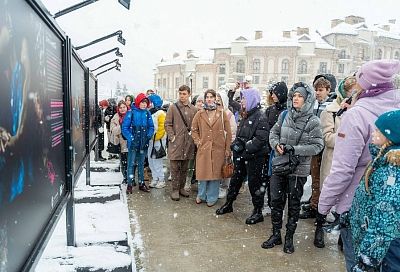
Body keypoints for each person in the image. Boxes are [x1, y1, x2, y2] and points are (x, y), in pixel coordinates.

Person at [318, 59, 400, 271]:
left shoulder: (357, 114)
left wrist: (324, 204)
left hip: (356, 203)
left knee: (358, 263)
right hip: (390, 211)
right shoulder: (395, 107)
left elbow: (343, 169)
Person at [262, 82, 323, 254]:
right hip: (280, 166)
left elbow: (317, 146)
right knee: (275, 202)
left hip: (298, 170)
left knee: (293, 205)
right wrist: (276, 145)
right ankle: (276, 234)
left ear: (307, 99)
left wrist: (295, 150)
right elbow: (273, 133)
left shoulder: (313, 121)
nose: (296, 98)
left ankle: (289, 237)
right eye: (294, 95)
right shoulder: (284, 116)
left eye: (300, 96)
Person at [349, 109, 400, 272]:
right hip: (380, 244)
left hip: (387, 251)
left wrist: (368, 258)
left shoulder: (390, 173)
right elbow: (371, 200)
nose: (373, 133)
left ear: (389, 137)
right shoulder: (381, 161)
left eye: (378, 130)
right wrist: (352, 214)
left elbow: (385, 220)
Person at [216, 88, 270, 225]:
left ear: (252, 100)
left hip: (254, 158)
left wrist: (245, 147)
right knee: (235, 181)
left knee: (254, 184)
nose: (242, 102)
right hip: (242, 156)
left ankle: (258, 211)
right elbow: (241, 135)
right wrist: (235, 144)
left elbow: (260, 139)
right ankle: (229, 204)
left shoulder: (260, 117)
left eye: (244, 99)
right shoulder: (246, 115)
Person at [316, 76, 356, 249]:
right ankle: (319, 228)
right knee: (327, 195)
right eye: (352, 93)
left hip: (352, 162)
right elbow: (327, 138)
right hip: (333, 161)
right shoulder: (331, 111)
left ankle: (343, 236)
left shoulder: (359, 113)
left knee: (348, 200)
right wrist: (347, 138)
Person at [191, 89, 232, 206]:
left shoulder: (221, 113)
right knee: (202, 173)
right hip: (203, 148)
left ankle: (212, 197)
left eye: (211, 97)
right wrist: (198, 141)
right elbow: (194, 130)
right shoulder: (200, 113)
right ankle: (201, 195)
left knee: (215, 175)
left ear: (215, 99)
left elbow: (228, 132)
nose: (209, 99)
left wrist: (228, 148)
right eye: (207, 97)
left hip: (218, 148)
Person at [164, 85, 197, 201]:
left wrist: (193, 138)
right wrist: (172, 137)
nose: (182, 96)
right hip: (175, 143)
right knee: (174, 168)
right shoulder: (173, 107)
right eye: (180, 94)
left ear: (189, 94)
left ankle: (182, 188)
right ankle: (174, 189)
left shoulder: (194, 109)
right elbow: (167, 124)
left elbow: (195, 126)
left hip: (188, 143)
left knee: (184, 168)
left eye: (184, 94)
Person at [122, 93, 154, 194]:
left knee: (141, 164)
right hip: (133, 143)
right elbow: (124, 128)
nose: (144, 105)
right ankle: (130, 184)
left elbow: (151, 126)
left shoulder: (147, 113)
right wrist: (131, 138)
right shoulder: (130, 113)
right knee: (131, 163)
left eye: (146, 103)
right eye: (142, 102)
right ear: (138, 102)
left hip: (143, 142)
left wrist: (148, 135)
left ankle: (141, 183)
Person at [263, 82, 288, 214]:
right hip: (269, 149)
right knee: (269, 179)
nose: (272, 96)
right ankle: (270, 203)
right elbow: (266, 128)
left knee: (280, 181)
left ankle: (279, 208)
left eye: (274, 93)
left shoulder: (288, 111)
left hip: (280, 151)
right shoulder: (270, 110)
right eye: (271, 93)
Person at [216, 90, 237, 199]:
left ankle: (224, 187)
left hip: (225, 146)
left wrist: (228, 146)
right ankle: (216, 186)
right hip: (216, 146)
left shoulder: (229, 115)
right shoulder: (214, 113)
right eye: (216, 100)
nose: (217, 103)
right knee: (217, 166)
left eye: (219, 101)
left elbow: (232, 133)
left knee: (225, 167)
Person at [184, 94, 205, 191]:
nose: (201, 103)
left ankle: (200, 182)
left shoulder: (207, 112)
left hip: (203, 141)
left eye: (202, 101)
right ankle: (187, 181)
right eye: (198, 101)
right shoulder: (191, 112)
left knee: (201, 162)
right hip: (192, 141)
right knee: (190, 162)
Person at [147, 94, 167, 189]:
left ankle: (161, 179)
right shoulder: (150, 112)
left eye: (150, 102)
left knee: (157, 161)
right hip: (151, 140)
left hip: (158, 141)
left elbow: (162, 128)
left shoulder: (161, 113)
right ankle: (155, 178)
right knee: (151, 161)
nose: (148, 104)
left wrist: (155, 137)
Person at [110, 100, 129, 183]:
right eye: (120, 107)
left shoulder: (130, 115)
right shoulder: (115, 117)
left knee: (132, 163)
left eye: (124, 107)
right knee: (123, 162)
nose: (122, 109)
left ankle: (130, 178)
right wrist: (122, 126)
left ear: (126, 107)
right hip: (120, 144)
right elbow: (113, 130)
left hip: (130, 143)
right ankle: (125, 178)